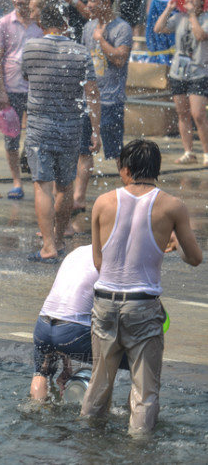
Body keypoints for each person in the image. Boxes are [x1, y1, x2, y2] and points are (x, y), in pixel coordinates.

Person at [81, 139, 203, 433]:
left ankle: (85, 440)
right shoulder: (172, 205)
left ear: (125, 169)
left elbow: (99, 263)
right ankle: (140, 452)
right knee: (145, 392)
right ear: (156, 169)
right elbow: (195, 258)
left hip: (104, 303)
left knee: (99, 383)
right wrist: (171, 244)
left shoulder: (103, 202)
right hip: (143, 307)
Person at [22, 1, 101, 263]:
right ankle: (57, 239)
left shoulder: (31, 47)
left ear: (41, 23)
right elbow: (92, 93)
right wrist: (96, 130)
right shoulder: (80, 52)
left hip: (39, 127)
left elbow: (27, 78)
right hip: (70, 127)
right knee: (65, 186)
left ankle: (47, 247)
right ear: (66, 24)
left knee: (42, 185)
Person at [73, 0, 133, 212]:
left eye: (93, 0)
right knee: (84, 150)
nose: (88, 5)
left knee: (116, 151)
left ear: (106, 2)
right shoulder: (88, 27)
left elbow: (119, 59)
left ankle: (132, 192)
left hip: (110, 100)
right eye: (87, 0)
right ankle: (79, 198)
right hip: (89, 99)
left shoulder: (122, 28)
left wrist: (101, 40)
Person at [30, 245, 105, 401]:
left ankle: (35, 412)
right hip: (72, 331)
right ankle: (98, 417)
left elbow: (62, 314)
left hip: (43, 325)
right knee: (128, 361)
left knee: (41, 374)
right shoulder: (111, 258)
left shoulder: (76, 252)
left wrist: (66, 367)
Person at [0, 0, 42, 199]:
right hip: (11, 88)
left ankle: (37, 175)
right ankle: (16, 182)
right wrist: (1, 91)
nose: (18, 0)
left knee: (36, 136)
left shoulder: (40, 24)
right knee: (11, 137)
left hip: (37, 89)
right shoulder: (3, 23)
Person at [153, 0, 208, 166]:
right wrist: (168, 9)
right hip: (178, 72)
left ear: (202, 0)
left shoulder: (205, 18)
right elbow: (158, 28)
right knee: (182, 113)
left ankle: (207, 153)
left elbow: (200, 36)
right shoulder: (179, 18)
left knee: (198, 114)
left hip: (199, 72)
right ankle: (189, 152)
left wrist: (192, 16)